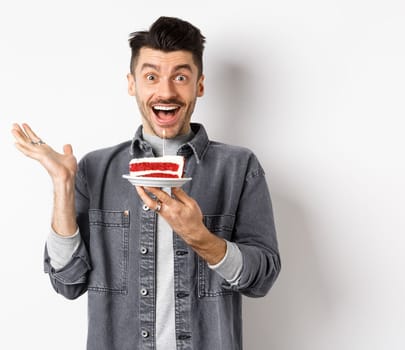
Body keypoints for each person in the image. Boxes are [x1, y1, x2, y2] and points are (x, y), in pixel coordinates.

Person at [11, 16, 280, 349]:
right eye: (151, 76)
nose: (165, 91)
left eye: (180, 77)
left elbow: (262, 278)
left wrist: (201, 238)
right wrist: (63, 184)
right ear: (131, 84)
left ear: (200, 85)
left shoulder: (239, 168)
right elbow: (68, 283)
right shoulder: (96, 169)